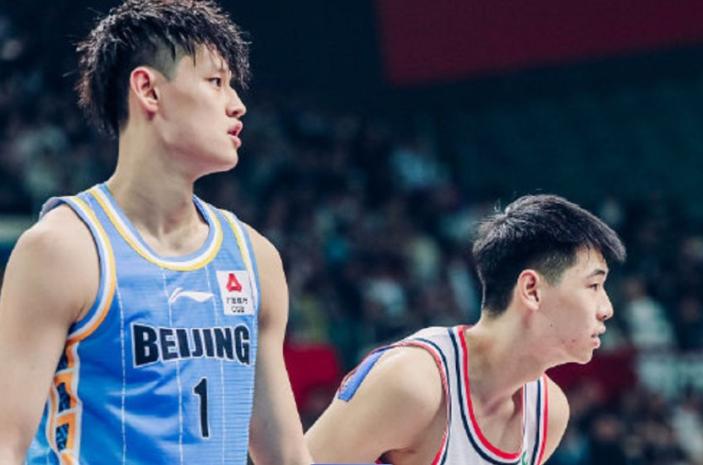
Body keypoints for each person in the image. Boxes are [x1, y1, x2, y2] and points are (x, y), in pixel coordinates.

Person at [0, 1, 311, 464]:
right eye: (216, 82)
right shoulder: (61, 249)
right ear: (148, 89)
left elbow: (286, 456)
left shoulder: (256, 259)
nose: (237, 104)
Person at [306, 194, 626, 465]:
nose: (607, 308)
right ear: (531, 290)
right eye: (593, 286)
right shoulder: (414, 382)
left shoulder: (547, 413)